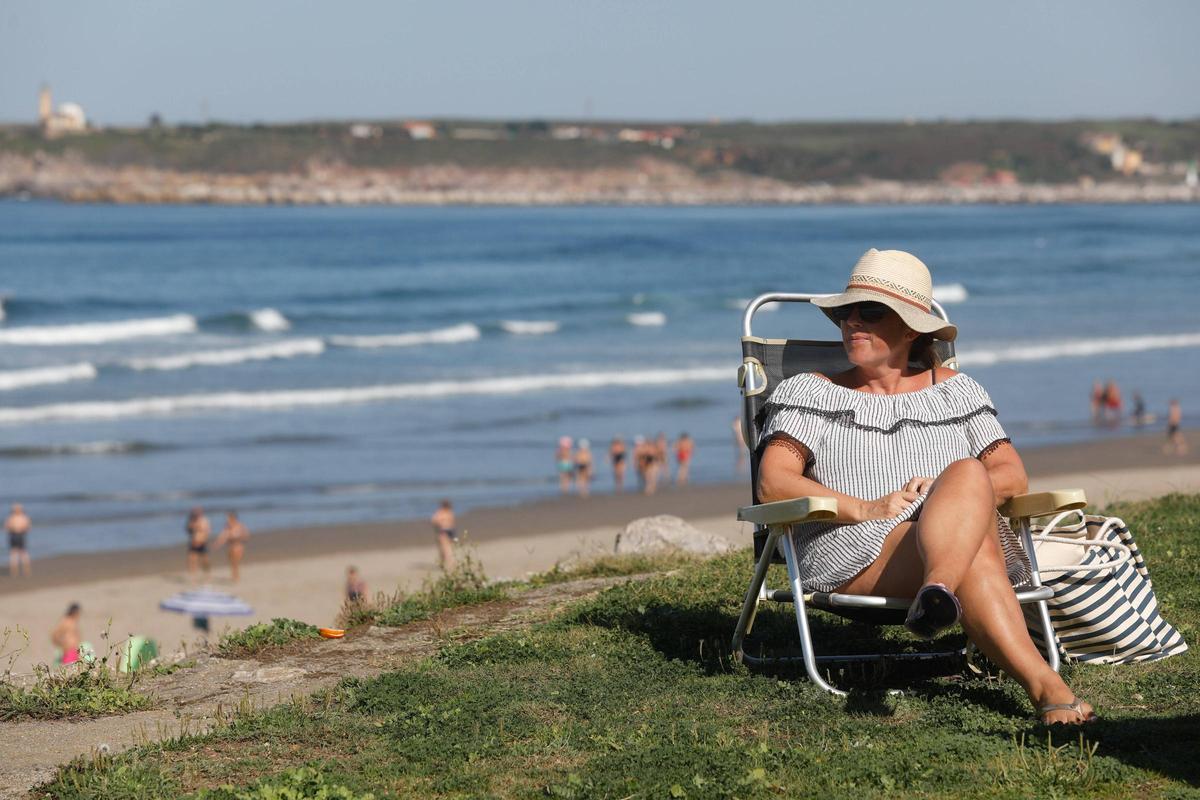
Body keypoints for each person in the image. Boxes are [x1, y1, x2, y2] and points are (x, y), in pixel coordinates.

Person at [755, 248, 1094, 725]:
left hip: (951, 537)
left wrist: (949, 490)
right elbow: (774, 482)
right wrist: (866, 508)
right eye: (845, 313)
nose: (853, 322)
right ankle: (1045, 685)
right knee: (973, 543)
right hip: (857, 549)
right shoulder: (812, 391)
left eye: (870, 311)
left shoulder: (957, 390)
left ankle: (938, 592)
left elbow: (1011, 475)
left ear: (911, 327)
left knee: (968, 475)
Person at [213, 511, 250, 583]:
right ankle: (234, 576)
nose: (227, 520)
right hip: (230, 546)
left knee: (235, 562)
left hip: (238, 546)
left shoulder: (240, 526)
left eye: (228, 518)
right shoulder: (227, 527)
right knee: (232, 563)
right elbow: (223, 536)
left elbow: (246, 536)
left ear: (233, 518)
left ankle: (236, 577)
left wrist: (237, 538)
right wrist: (217, 544)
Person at [6, 503, 31, 578]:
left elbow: (7, 527)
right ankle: (22, 571)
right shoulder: (24, 517)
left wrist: (14, 529)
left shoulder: (11, 517)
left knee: (16, 553)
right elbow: (28, 527)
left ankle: (17, 571)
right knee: (20, 553)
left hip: (15, 535)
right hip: (19, 535)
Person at [185, 507, 211, 580]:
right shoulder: (191, 520)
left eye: (197, 513)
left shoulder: (204, 521)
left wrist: (202, 541)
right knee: (191, 559)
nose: (195, 514)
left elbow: (207, 532)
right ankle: (193, 576)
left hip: (202, 542)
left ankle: (207, 574)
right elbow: (188, 530)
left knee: (205, 560)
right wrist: (192, 525)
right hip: (193, 542)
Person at [431, 499, 456, 571]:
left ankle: (448, 564)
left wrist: (438, 525)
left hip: (443, 530)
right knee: (449, 548)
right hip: (451, 530)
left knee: (444, 549)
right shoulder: (450, 512)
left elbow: (434, 520)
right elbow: (453, 521)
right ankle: (450, 562)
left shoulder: (440, 512)